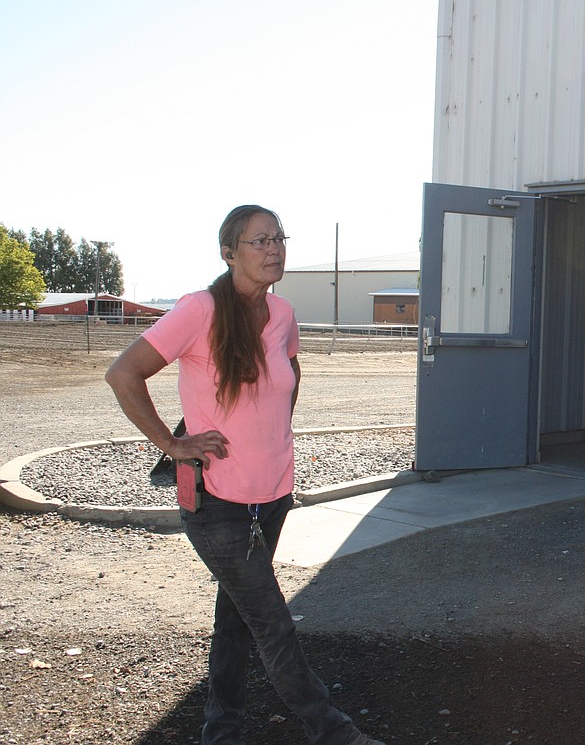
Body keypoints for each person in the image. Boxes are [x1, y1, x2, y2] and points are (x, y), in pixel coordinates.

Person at [106, 205, 384, 745]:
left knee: (236, 618)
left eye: (279, 238)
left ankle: (221, 730)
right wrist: (172, 443)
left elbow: (290, 374)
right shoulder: (199, 309)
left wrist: (271, 435)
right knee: (272, 624)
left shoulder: (282, 315)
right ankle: (333, 731)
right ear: (229, 252)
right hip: (216, 500)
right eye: (259, 241)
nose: (273, 249)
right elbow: (123, 374)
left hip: (273, 495)